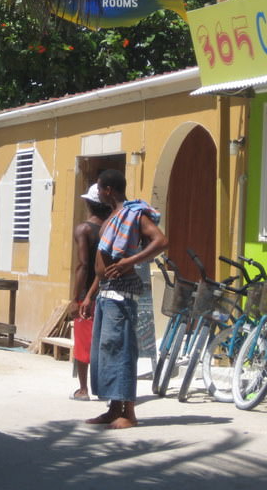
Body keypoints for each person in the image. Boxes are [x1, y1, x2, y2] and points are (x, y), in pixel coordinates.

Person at [80, 169, 168, 430]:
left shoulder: (134, 214)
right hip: (106, 292)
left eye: (99, 187)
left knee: (122, 352)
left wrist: (130, 261)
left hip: (122, 294)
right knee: (106, 352)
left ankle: (129, 413)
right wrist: (90, 295)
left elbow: (161, 241)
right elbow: (103, 265)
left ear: (108, 189)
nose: (98, 192)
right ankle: (113, 409)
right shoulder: (113, 218)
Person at [69, 183, 113, 401]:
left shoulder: (83, 229)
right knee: (103, 341)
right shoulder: (109, 228)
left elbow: (83, 265)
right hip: (107, 291)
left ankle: (84, 388)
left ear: (89, 203)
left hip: (88, 293)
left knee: (83, 341)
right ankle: (104, 386)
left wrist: (76, 299)